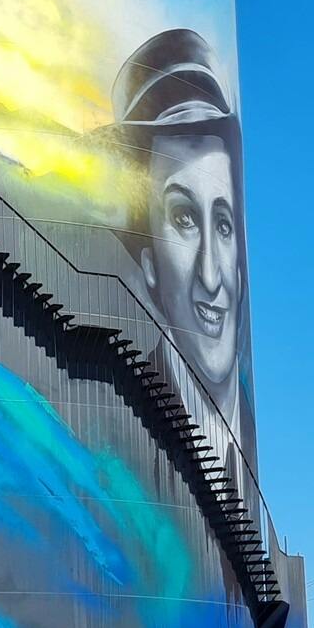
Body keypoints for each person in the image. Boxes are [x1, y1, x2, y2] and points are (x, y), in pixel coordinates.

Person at [99, 29, 250, 464]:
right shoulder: (116, 429)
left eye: (224, 224)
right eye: (184, 219)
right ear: (149, 262)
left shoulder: (251, 439)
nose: (211, 276)